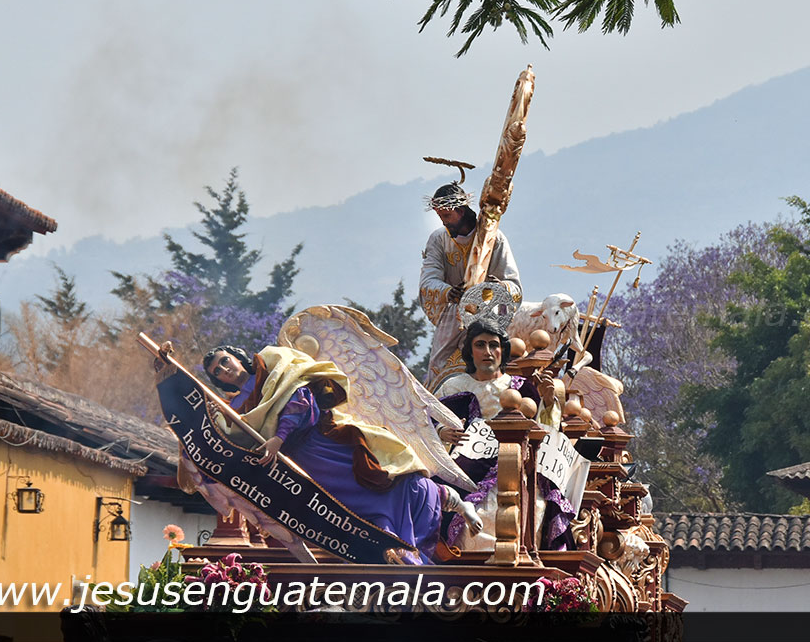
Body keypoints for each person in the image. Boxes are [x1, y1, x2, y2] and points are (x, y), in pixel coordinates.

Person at [201, 343, 481, 564]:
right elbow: (237, 440)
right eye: (217, 371)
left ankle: (456, 504)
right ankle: (389, 547)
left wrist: (279, 438)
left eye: (225, 361)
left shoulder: (275, 365)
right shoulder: (234, 407)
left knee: (383, 478)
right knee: (348, 508)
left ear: (237, 357)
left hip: (325, 441)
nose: (224, 369)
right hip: (300, 464)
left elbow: (301, 399)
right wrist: (216, 417)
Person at [433, 320, 572, 551]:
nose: (488, 352)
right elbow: (428, 421)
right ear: (470, 351)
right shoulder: (453, 386)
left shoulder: (521, 387)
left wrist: (547, 403)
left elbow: (546, 433)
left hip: (514, 465)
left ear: (503, 350)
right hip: (464, 467)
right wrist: (442, 432)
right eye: (480, 345)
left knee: (532, 506)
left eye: (494, 345)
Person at [419, 182, 522, 390]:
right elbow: (428, 281)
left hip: (488, 316)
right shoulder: (439, 239)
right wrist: (449, 292)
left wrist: (499, 288)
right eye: (440, 217)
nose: (444, 222)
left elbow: (514, 286)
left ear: (461, 210)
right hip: (452, 316)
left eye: (447, 216)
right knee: (438, 370)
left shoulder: (495, 239)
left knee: (493, 371)